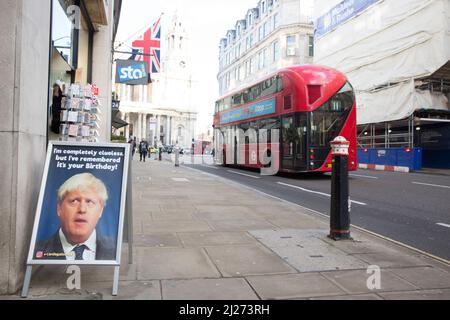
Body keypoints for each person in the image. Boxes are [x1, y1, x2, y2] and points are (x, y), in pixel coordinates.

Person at [34, 173, 116, 261]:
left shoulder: (117, 251)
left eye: (89, 202)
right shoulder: (35, 252)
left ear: (100, 211)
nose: (82, 209)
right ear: (59, 208)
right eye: (74, 201)